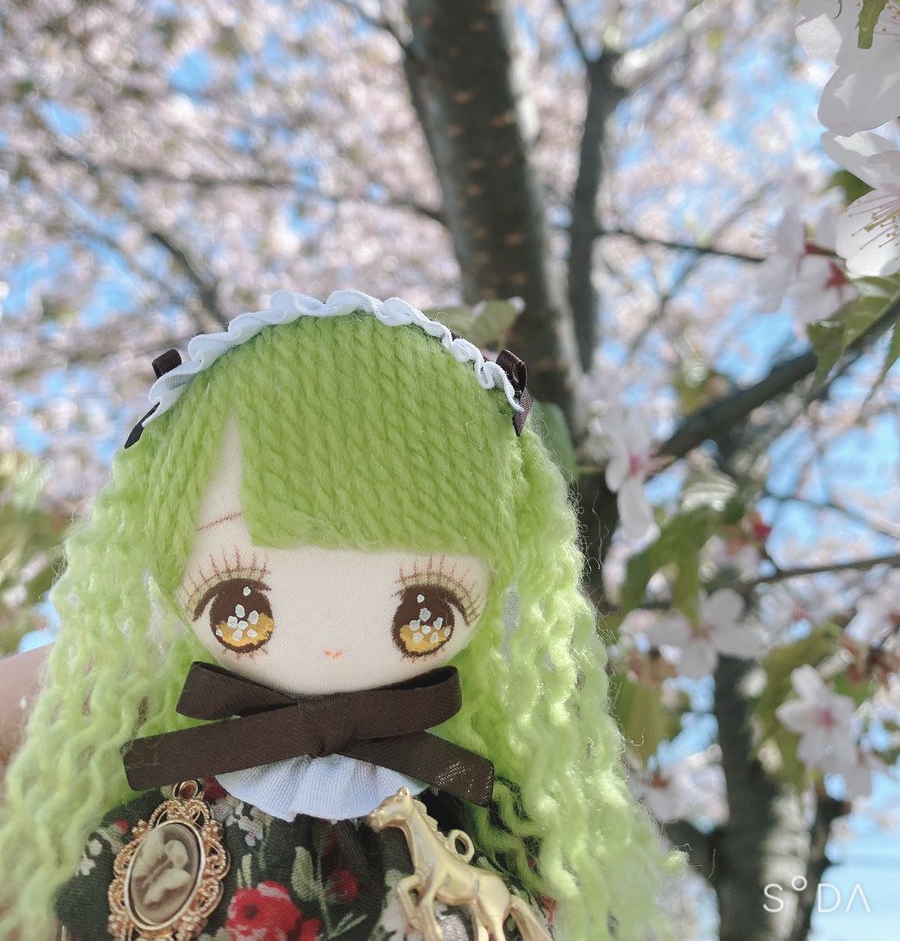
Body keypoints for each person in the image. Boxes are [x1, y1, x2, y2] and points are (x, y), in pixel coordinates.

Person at [0, 291, 670, 941]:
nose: (328, 642)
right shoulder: (164, 804)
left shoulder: (477, 811)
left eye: (424, 608)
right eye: (242, 605)